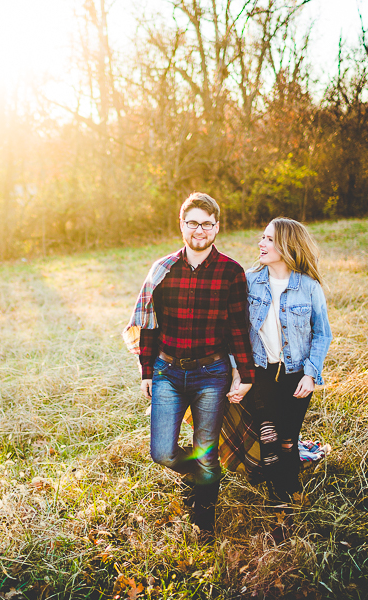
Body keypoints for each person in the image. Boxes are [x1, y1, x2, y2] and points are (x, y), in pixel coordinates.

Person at [123, 192, 254, 537]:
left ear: (217, 227)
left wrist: (246, 373)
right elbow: (149, 326)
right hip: (167, 371)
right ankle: (197, 475)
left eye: (207, 223)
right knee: (162, 452)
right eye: (193, 222)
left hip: (211, 374)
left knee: (207, 452)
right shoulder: (163, 269)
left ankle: (204, 521)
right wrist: (146, 372)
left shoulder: (231, 272)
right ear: (181, 224)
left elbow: (239, 327)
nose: (200, 229)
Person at [228, 217, 332, 504]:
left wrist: (311, 374)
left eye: (269, 239)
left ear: (287, 245)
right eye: (263, 237)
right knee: (269, 437)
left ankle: (289, 482)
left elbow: (322, 334)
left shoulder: (309, 287)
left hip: (295, 374)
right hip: (260, 372)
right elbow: (233, 329)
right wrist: (237, 372)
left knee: (288, 439)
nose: (261, 243)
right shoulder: (250, 281)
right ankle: (278, 496)